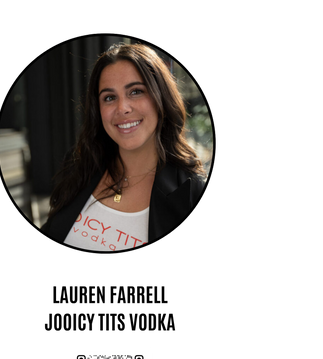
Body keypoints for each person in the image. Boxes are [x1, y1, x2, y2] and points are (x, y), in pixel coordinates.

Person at [42, 43, 206, 252]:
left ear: (161, 97)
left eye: (136, 91)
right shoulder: (79, 165)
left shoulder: (191, 192)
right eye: (109, 97)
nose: (122, 108)